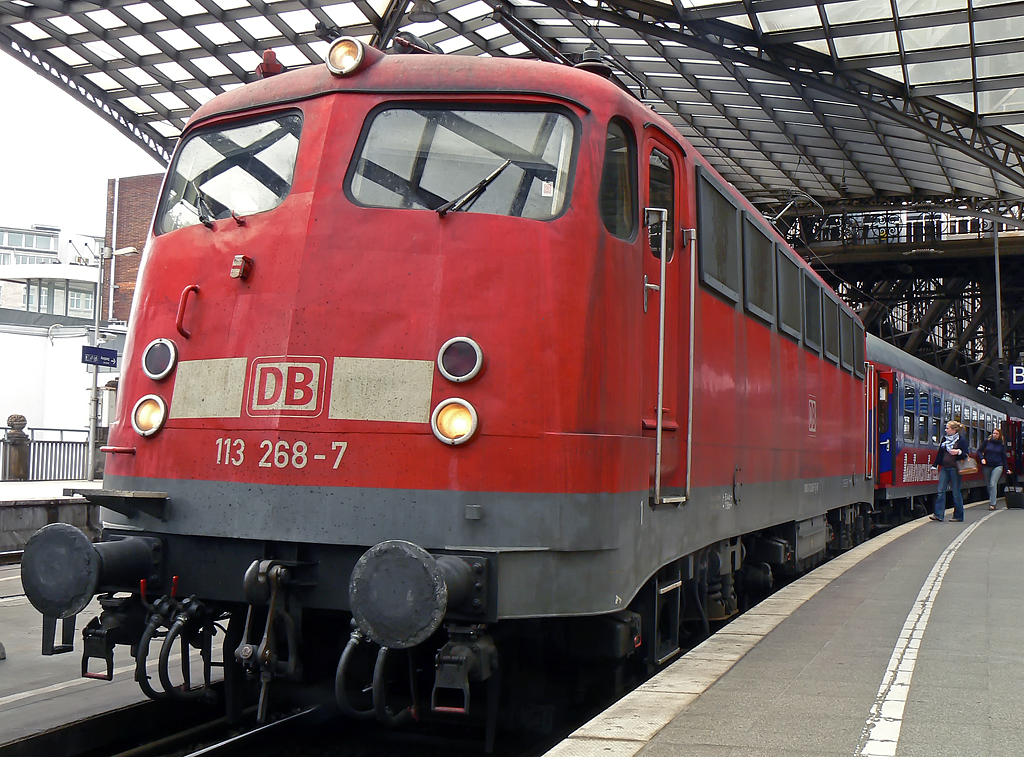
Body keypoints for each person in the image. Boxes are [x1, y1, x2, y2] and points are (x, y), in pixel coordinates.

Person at [930, 420, 968, 522]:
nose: (946, 430)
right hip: (945, 468)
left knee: (956, 492)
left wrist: (958, 452)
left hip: (955, 469)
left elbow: (965, 454)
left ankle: (958, 516)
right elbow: (940, 454)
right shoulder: (944, 440)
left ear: (954, 430)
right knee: (940, 491)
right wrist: (934, 466)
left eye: (948, 428)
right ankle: (938, 515)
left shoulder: (961, 440)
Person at [979, 428, 1007, 511]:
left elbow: (1003, 457)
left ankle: (992, 504)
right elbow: (979, 451)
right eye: (994, 433)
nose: (995, 435)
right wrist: (982, 458)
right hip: (987, 465)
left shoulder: (1001, 445)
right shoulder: (987, 442)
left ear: (1000, 435)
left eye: (996, 433)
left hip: (998, 466)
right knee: (988, 485)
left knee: (992, 484)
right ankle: (992, 500)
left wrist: (1007, 469)